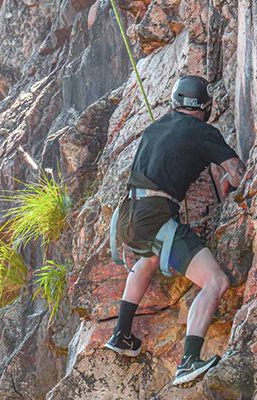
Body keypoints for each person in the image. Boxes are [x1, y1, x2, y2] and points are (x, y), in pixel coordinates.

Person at [104, 75, 246, 387]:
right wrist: (229, 179)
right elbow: (239, 174)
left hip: (128, 217)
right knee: (215, 281)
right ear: (206, 106)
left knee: (149, 258)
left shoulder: (154, 128)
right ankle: (188, 360)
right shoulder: (203, 132)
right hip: (156, 217)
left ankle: (121, 334)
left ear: (175, 101)